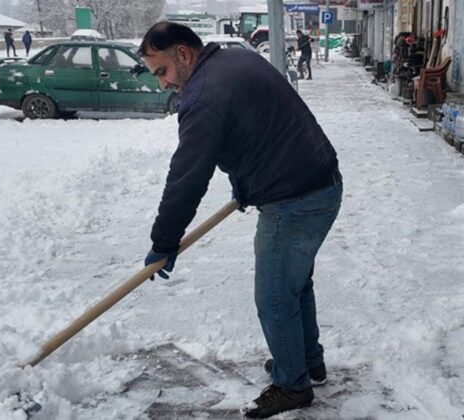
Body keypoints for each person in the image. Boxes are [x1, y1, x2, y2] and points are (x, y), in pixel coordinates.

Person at [139, 22, 342, 419]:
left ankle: (292, 384)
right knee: (295, 285)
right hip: (320, 181)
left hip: (295, 198)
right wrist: (247, 184)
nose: (162, 84)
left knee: (274, 295)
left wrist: (164, 241)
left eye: (161, 71)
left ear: (183, 54)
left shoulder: (202, 97)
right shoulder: (236, 59)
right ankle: (306, 361)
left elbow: (187, 178)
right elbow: (258, 130)